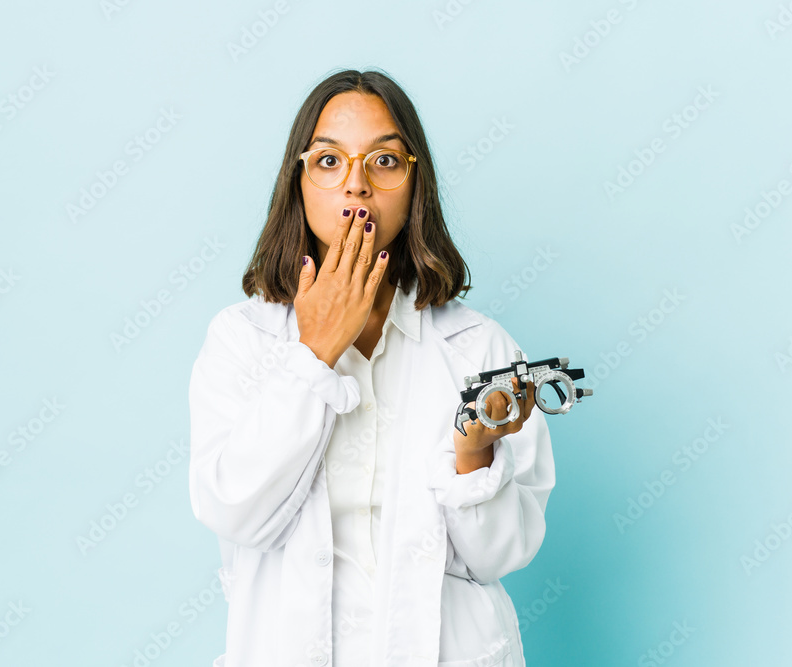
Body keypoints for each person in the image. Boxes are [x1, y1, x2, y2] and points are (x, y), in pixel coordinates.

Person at [188, 68, 556, 667]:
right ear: (299, 182)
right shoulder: (242, 340)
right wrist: (314, 355)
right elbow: (236, 512)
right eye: (329, 161)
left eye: (384, 162)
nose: (355, 185)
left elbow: (501, 555)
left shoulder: (479, 347)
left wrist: (472, 456)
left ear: (415, 183)